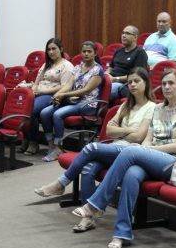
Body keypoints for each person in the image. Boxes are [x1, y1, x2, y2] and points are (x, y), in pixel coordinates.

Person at [71, 69, 176, 248]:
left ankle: (96, 203)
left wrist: (145, 150)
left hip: (175, 162)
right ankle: (122, 233)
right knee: (131, 174)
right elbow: (148, 137)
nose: (166, 87)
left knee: (130, 151)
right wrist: (145, 149)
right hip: (152, 158)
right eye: (163, 84)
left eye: (171, 83)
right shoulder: (158, 109)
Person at [34, 68, 156, 231]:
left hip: (130, 152)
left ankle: (61, 183)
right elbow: (110, 129)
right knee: (88, 168)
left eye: (137, 81)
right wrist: (128, 131)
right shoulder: (125, 106)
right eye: (130, 81)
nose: (132, 85)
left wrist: (122, 131)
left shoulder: (152, 107)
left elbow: (139, 137)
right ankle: (88, 218)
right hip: (115, 146)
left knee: (91, 147)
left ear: (146, 83)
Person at [40, 41, 103, 161]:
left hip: (88, 103)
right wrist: (58, 95)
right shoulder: (78, 67)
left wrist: (63, 95)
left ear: (95, 53)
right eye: (84, 51)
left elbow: (85, 90)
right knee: (45, 112)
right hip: (73, 100)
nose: (86, 54)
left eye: (89, 51)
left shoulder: (97, 70)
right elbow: (69, 84)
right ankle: (51, 145)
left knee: (58, 114)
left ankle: (58, 148)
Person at [18, 37, 74, 155]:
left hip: (52, 95)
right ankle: (26, 138)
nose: (51, 52)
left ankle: (33, 142)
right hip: (39, 92)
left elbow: (64, 87)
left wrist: (42, 92)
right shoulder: (46, 65)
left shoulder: (67, 66)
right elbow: (37, 82)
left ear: (61, 49)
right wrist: (32, 91)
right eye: (49, 49)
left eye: (54, 49)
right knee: (21, 107)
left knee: (31, 111)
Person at [107, 25, 148, 99]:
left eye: (127, 33)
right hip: (110, 81)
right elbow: (110, 67)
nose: (123, 36)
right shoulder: (119, 51)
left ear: (135, 37)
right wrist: (106, 74)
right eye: (123, 33)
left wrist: (115, 79)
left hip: (124, 85)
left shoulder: (140, 53)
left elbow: (138, 75)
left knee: (104, 90)